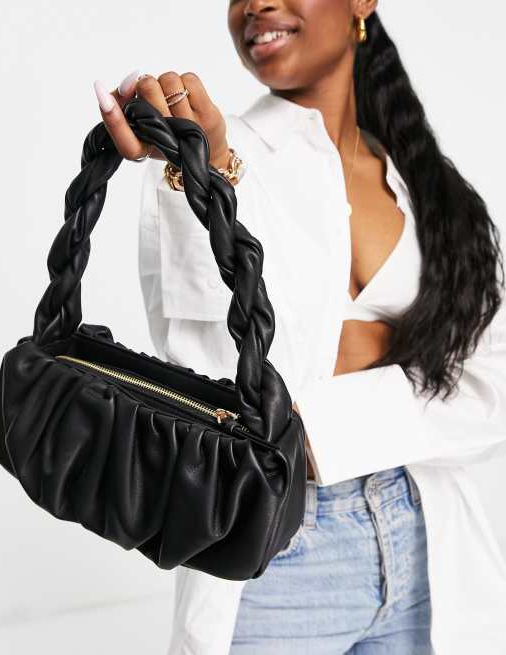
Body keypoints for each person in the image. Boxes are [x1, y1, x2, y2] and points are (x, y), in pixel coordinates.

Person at [93, 1, 506, 653]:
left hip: (423, 535)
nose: (256, 4)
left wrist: (317, 403)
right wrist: (203, 172)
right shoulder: (220, 153)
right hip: (277, 551)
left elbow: (489, 388)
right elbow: (218, 383)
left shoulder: (425, 181)